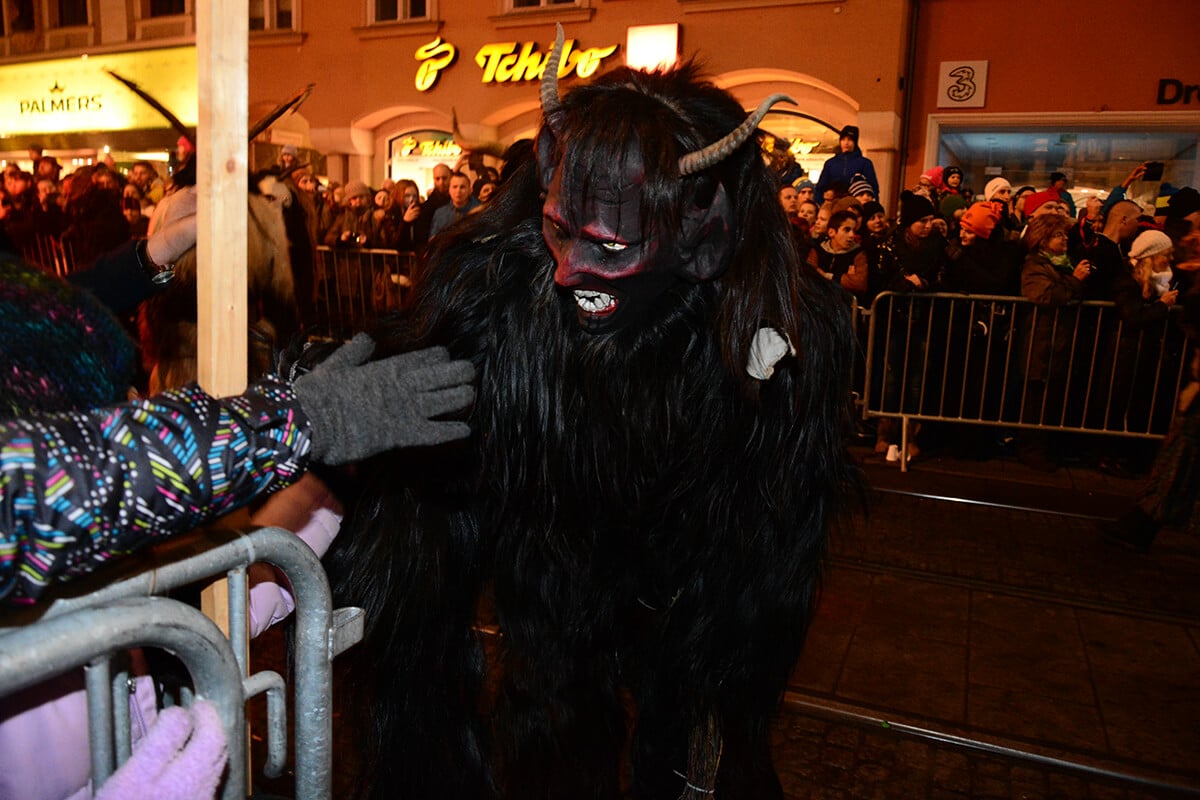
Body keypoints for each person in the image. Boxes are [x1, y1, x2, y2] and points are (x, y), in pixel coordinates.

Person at [1014, 213, 1094, 471]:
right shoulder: (1036, 265)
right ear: (1042, 239)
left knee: (1053, 398)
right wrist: (1075, 281)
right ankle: (1031, 449)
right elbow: (1045, 294)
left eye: (1064, 235)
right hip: (1041, 341)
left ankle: (1047, 447)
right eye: (1058, 235)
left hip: (1059, 341)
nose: (1064, 240)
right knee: (1036, 398)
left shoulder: (1063, 264)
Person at [808, 208, 869, 303]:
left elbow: (859, 283)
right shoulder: (818, 250)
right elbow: (810, 275)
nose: (852, 235)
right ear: (832, 232)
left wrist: (827, 276)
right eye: (847, 230)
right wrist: (845, 278)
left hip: (844, 307)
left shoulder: (858, 253)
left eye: (854, 230)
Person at [815, 125, 878, 203]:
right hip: (833, 203)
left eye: (850, 140)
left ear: (855, 142)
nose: (846, 143)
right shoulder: (831, 163)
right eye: (843, 139)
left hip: (855, 204)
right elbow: (821, 187)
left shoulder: (865, 163)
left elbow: (873, 187)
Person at [427, 170, 479, 239]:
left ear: (470, 190)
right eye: (455, 187)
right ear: (449, 190)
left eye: (462, 187)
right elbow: (432, 239)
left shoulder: (479, 210)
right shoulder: (440, 213)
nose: (458, 191)